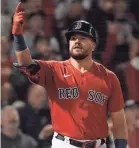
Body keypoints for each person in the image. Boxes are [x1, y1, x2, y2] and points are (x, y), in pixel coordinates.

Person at [12, 2, 128, 148]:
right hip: (65, 144)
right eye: (73, 38)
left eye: (83, 38)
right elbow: (26, 63)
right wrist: (18, 36)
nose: (77, 42)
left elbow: (118, 119)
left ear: (93, 45)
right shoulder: (54, 70)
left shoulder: (109, 77)